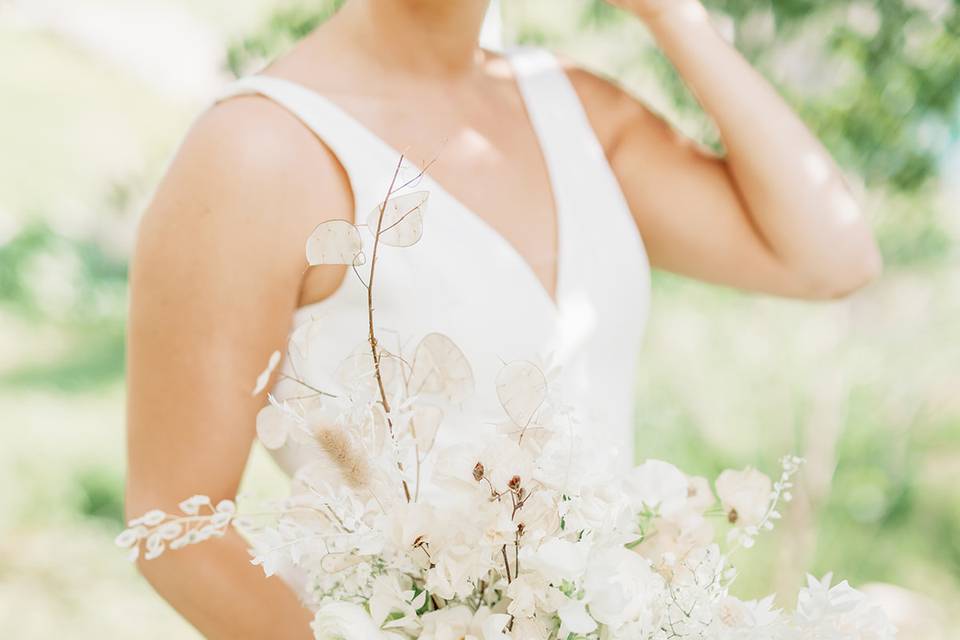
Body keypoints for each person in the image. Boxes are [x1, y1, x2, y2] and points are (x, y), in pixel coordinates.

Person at [124, 1, 882, 637]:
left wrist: (670, 13)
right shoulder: (258, 152)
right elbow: (176, 531)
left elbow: (828, 258)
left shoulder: (574, 108)